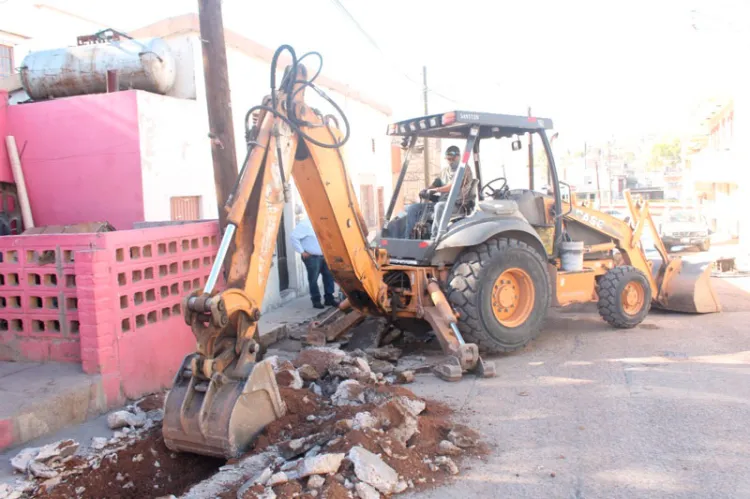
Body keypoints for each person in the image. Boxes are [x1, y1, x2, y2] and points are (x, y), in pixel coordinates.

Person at [424, 145, 475, 237]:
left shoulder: (464, 170)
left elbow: (453, 186)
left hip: (456, 204)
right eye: (448, 159)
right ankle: (409, 237)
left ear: (459, 157)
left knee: (439, 207)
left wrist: (435, 190)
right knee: (414, 208)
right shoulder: (445, 171)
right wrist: (426, 190)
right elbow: (436, 183)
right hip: (443, 201)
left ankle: (435, 237)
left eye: (453, 159)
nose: (451, 161)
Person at [290, 216, 339, 309]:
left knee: (329, 276)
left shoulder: (324, 222)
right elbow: (293, 237)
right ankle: (316, 300)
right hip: (312, 257)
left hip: (325, 256)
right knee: (313, 279)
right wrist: (302, 251)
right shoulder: (305, 224)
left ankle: (329, 298)